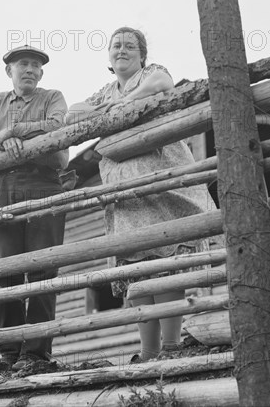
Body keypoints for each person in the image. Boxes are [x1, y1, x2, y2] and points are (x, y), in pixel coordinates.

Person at [67, 27, 214, 363]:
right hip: (125, 191)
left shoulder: (150, 73)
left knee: (166, 262)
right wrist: (106, 107)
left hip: (160, 182)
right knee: (138, 269)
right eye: (116, 45)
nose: (122, 50)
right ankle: (149, 351)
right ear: (109, 55)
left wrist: (126, 102)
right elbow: (72, 113)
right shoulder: (105, 91)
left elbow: (163, 82)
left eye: (129, 46)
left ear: (142, 54)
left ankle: (172, 347)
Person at [0, 45, 68, 370]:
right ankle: (10, 351)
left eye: (36, 66)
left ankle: (36, 353)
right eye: (23, 64)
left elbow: (56, 126)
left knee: (42, 268)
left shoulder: (52, 97)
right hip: (6, 187)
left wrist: (15, 133)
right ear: (8, 70)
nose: (30, 70)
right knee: (4, 270)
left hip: (44, 184)